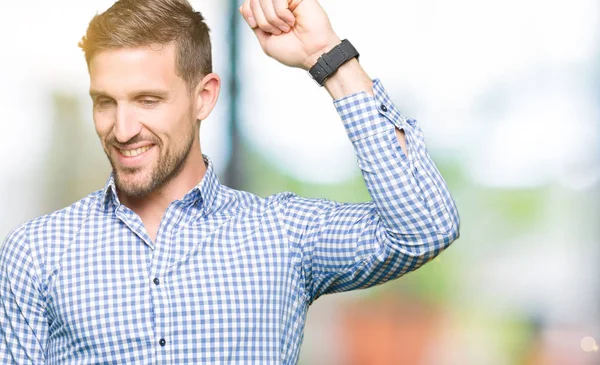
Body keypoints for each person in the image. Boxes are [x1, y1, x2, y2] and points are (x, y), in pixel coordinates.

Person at [0, 0, 460, 363]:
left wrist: (328, 57)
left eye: (147, 100)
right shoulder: (36, 253)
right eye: (105, 102)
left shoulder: (283, 235)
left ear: (204, 97)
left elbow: (425, 226)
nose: (122, 129)